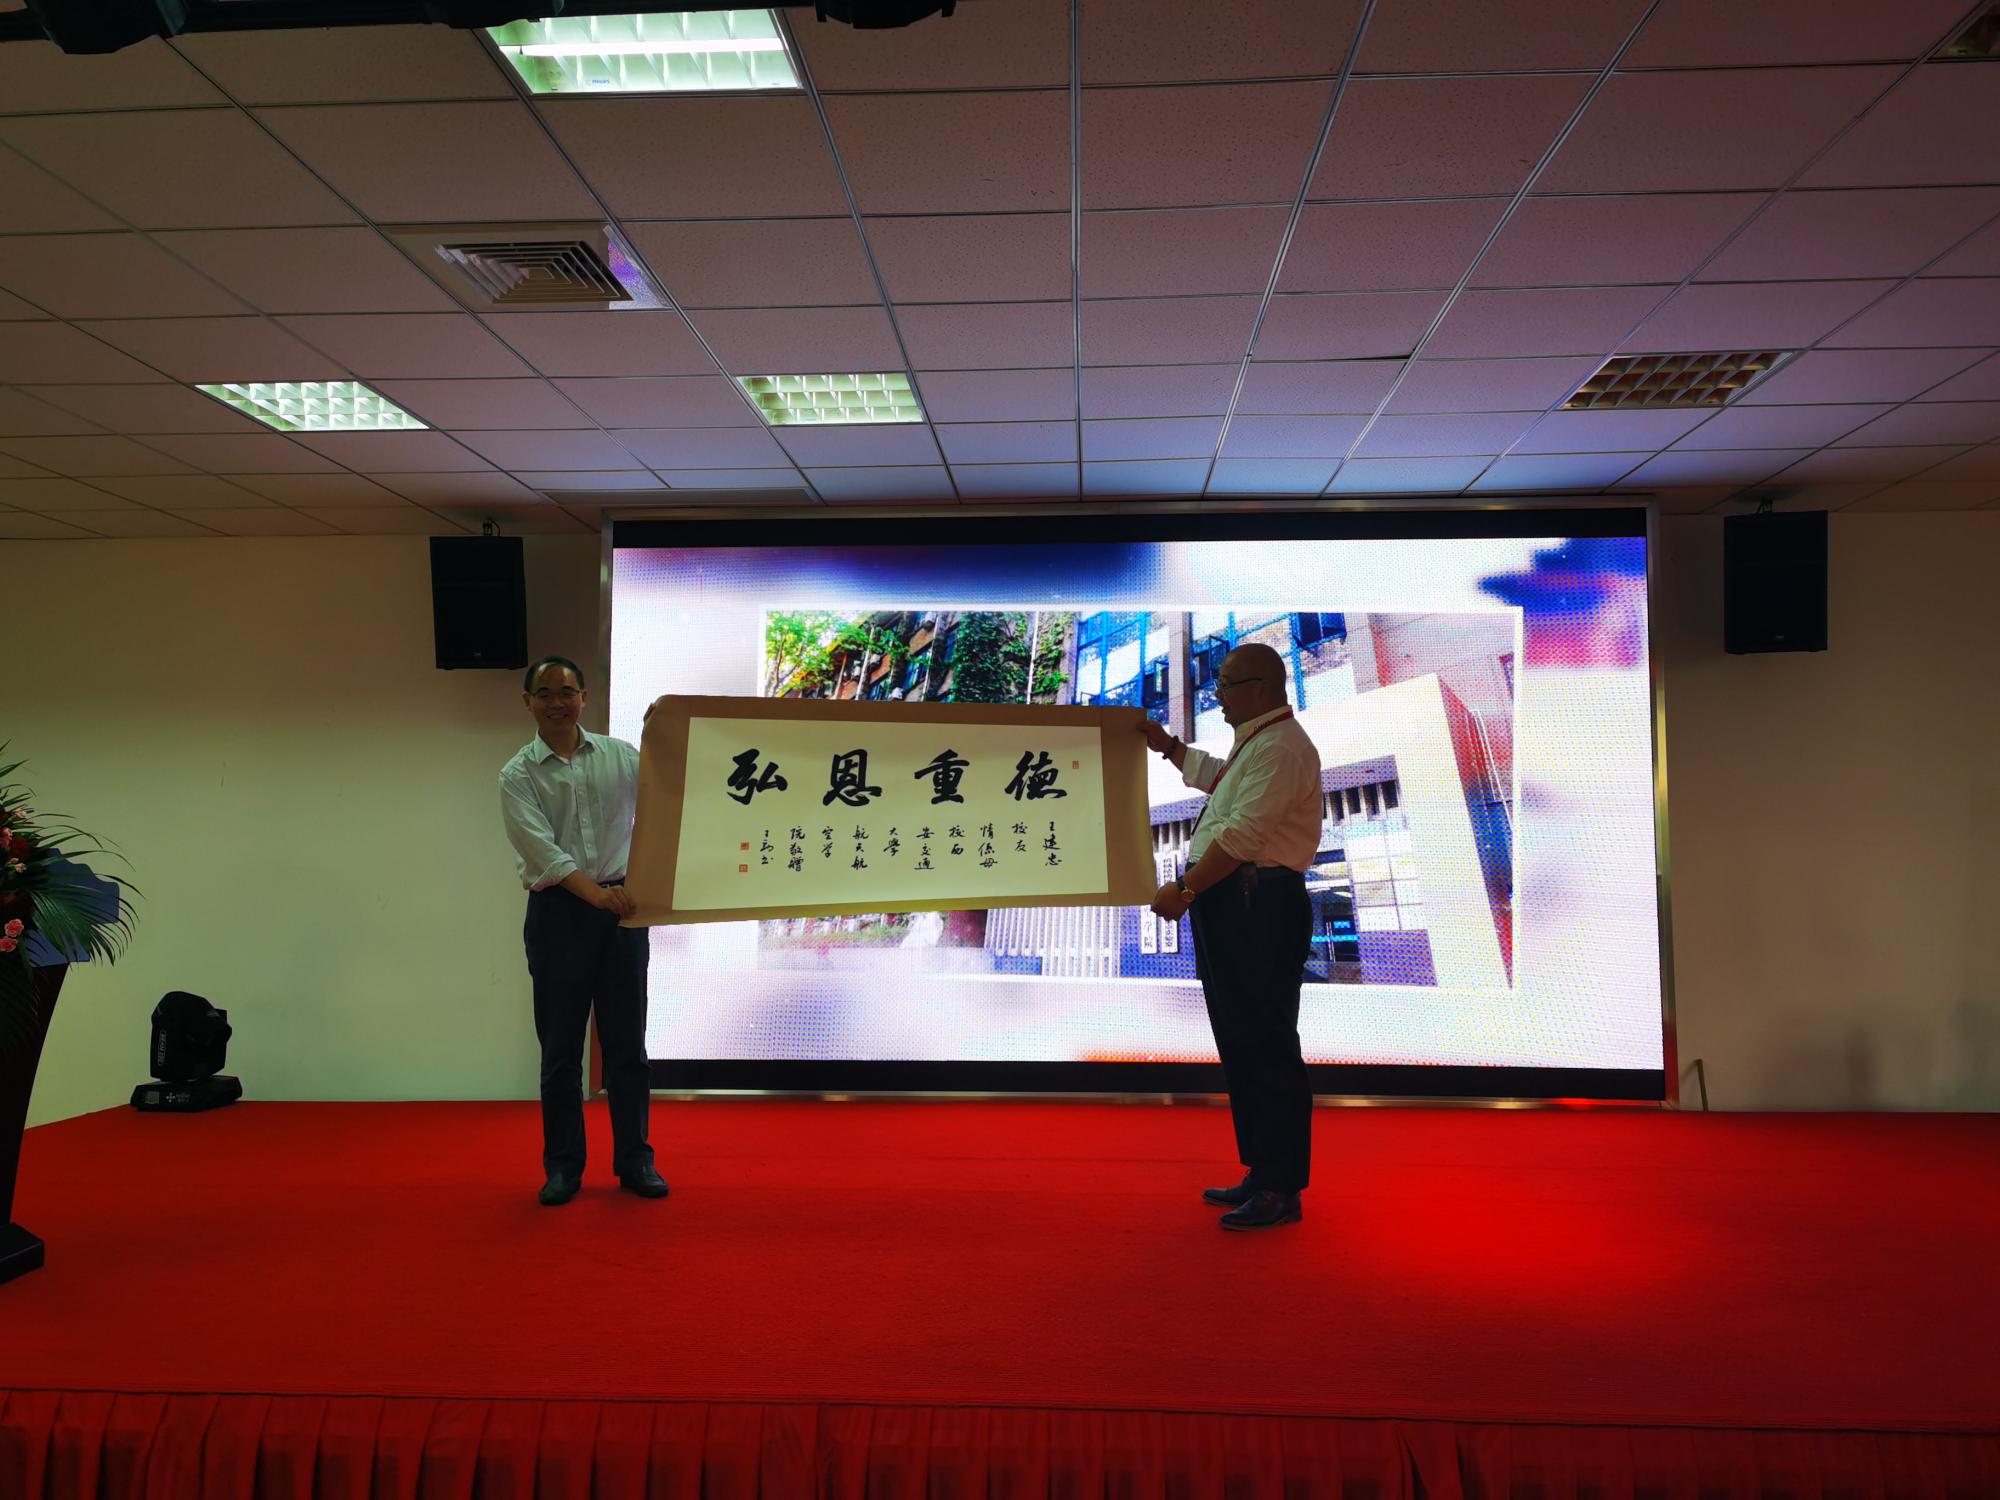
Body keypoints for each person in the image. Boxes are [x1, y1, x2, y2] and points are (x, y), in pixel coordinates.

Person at [1140, 642, 1323, 1231]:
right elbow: (1221, 783)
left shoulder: (1282, 747)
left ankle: (1281, 1187)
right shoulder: (1259, 743)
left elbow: (1243, 835)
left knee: (1265, 1043)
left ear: (1262, 688)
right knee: (1241, 1041)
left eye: (1225, 683)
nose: (1215, 693)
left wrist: (1185, 888)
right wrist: (1169, 748)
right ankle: (1262, 1172)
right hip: (1238, 902)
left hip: (1257, 903)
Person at [498, 655, 668, 1207]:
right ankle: (563, 1167)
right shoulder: (517, 775)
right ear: (528, 701)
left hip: (622, 913)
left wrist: (667, 737)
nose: (557, 702)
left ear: (584, 698)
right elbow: (542, 853)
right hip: (559, 916)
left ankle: (635, 1160)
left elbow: (667, 801)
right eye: (545, 693)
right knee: (560, 1052)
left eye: (567, 692)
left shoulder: (621, 756)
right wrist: (595, 896)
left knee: (628, 1047)